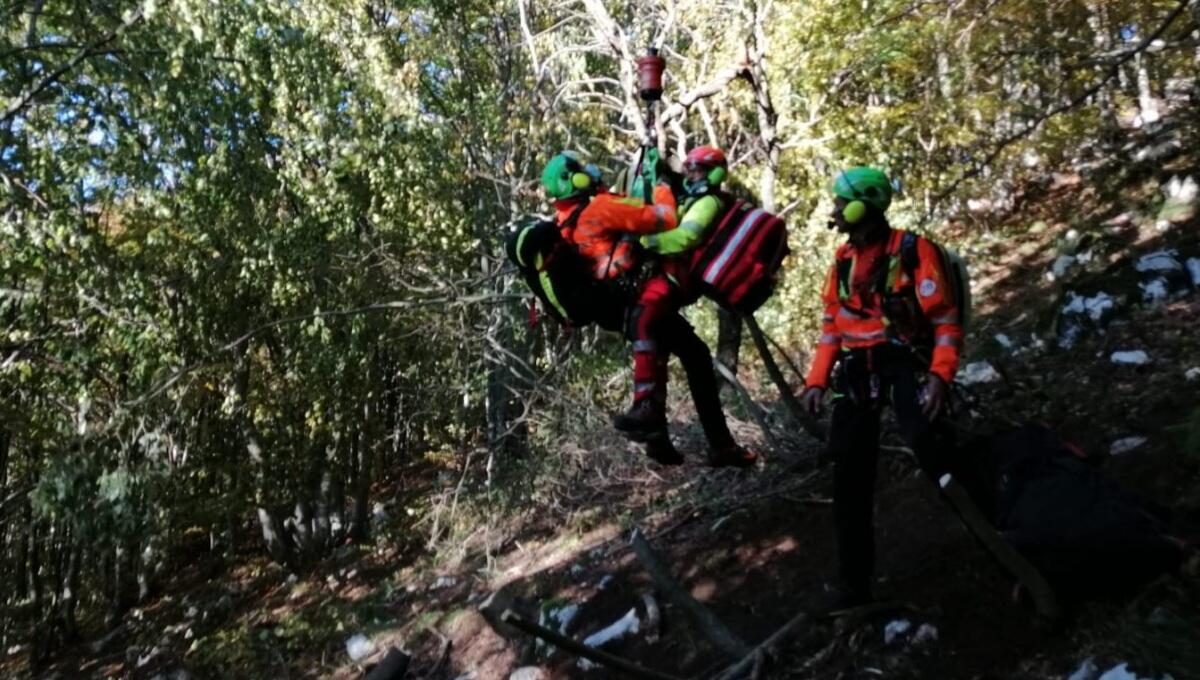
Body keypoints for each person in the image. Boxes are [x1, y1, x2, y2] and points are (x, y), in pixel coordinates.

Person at [799, 166, 963, 608]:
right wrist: (817, 380)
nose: (834, 210)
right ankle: (853, 585)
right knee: (848, 477)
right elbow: (833, 325)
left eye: (840, 201)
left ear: (861, 206)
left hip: (906, 364)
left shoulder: (913, 251)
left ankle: (999, 533)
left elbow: (946, 323)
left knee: (932, 447)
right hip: (857, 371)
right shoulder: (842, 260)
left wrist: (939, 376)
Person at [611, 146, 757, 468]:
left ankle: (647, 411)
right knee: (694, 356)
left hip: (673, 280)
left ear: (714, 173)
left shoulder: (708, 203)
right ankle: (711, 444)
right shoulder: (690, 198)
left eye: (698, 169)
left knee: (645, 322)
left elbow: (685, 239)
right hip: (665, 278)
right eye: (689, 168)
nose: (691, 174)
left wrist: (644, 243)